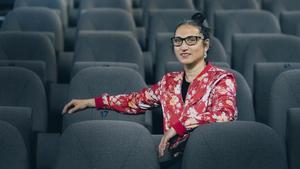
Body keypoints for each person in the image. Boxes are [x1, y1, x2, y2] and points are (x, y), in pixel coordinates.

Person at [63, 12, 238, 169]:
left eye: (191, 40)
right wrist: (91, 102)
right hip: (175, 160)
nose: (183, 47)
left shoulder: (221, 79)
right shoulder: (169, 82)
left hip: (209, 159)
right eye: (178, 41)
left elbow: (224, 115)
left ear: (206, 45)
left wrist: (179, 127)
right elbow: (134, 101)